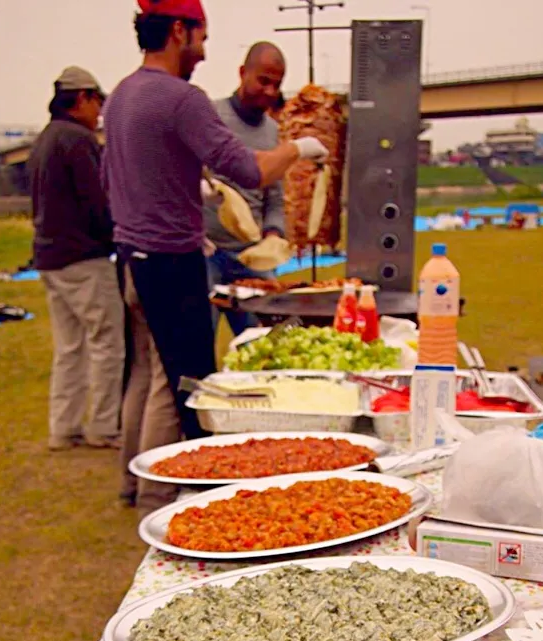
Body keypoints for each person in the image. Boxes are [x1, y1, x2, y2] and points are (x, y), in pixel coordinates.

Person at [103, 0, 328, 514]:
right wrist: (298, 150)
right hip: (170, 259)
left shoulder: (120, 96)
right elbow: (246, 170)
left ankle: (129, 482)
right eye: (202, 38)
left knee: (143, 370)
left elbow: (113, 180)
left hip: (131, 258)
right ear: (180, 31)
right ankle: (164, 497)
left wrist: (189, 190)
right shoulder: (183, 97)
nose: (203, 52)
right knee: (183, 383)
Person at [29, 66, 125, 451]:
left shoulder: (44, 139)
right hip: (83, 258)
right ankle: (104, 426)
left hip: (49, 258)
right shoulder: (78, 140)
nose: (100, 110)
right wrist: (116, 237)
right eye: (98, 100)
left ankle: (63, 428)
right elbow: (97, 203)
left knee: (70, 347)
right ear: (82, 98)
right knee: (107, 342)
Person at [204, 42, 287, 337]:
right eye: (263, 81)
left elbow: (275, 198)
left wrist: (274, 234)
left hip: (252, 257)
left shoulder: (274, 132)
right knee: (201, 342)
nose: (269, 91)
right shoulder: (209, 117)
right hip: (207, 254)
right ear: (242, 73)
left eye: (276, 85)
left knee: (263, 341)